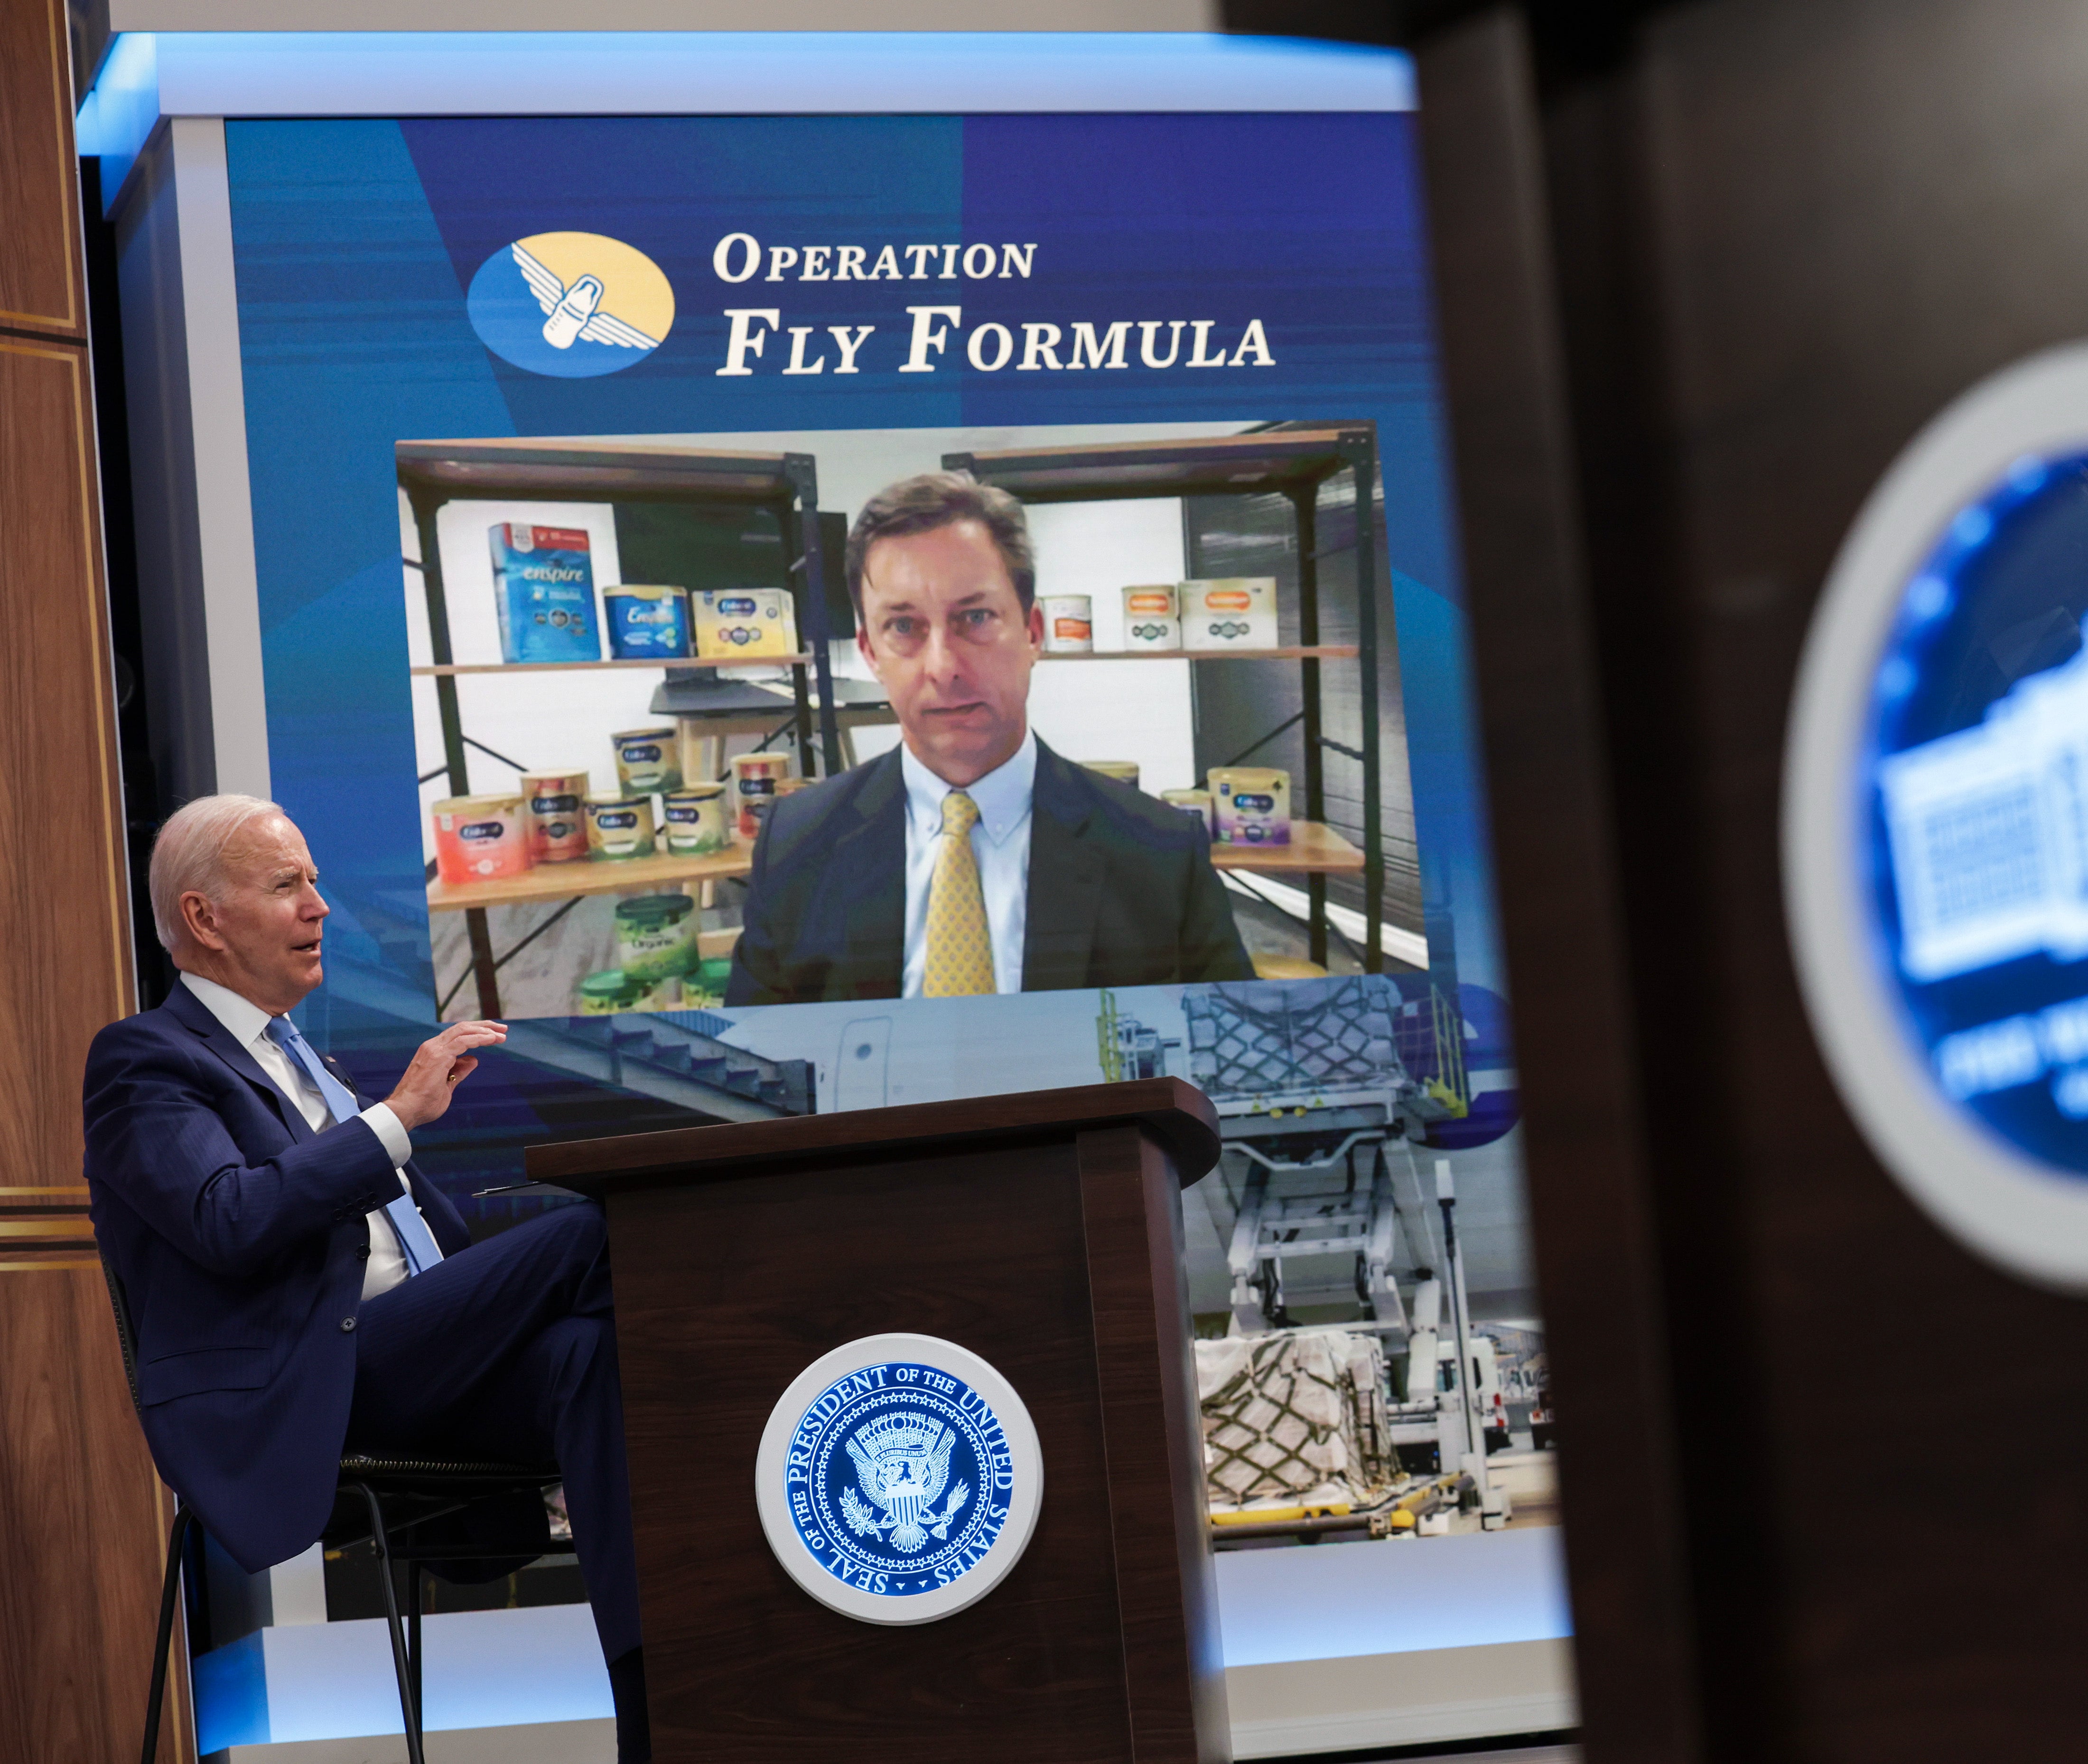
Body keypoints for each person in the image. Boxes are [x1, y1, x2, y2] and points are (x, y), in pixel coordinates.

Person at [83, 796, 650, 1763]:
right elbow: (227, 1220)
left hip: (407, 1364)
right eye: (287, 886)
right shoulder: (146, 1061)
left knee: (585, 1351)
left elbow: (419, 1240)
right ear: (205, 919)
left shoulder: (307, 1060)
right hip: (314, 1382)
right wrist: (392, 1120)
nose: (321, 909)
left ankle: (658, 1714)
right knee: (593, 1236)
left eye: (314, 881)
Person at [727, 471, 1255, 1004]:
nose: (943, 667)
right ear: (870, 652)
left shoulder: (1159, 854)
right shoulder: (795, 845)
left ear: (1032, 634)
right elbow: (755, 1065)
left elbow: (1232, 1063)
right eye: (904, 628)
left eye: (975, 617)